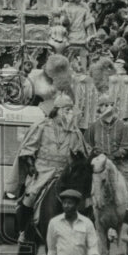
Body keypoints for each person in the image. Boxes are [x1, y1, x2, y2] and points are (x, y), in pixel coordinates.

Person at [5, 94, 88, 243]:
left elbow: (81, 155)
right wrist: (31, 166)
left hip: (65, 173)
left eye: (71, 110)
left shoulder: (75, 132)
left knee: (83, 200)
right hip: (42, 170)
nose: (70, 113)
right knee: (30, 198)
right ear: (57, 110)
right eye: (67, 110)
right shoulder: (42, 127)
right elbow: (28, 150)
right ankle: (23, 230)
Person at [85, 93, 128, 187]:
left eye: (109, 105)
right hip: (100, 164)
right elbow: (87, 145)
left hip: (120, 164)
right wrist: (95, 155)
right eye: (103, 106)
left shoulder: (123, 126)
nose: (106, 108)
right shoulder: (94, 126)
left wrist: (114, 155)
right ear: (99, 109)